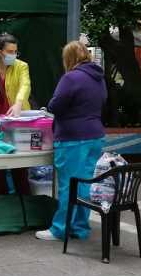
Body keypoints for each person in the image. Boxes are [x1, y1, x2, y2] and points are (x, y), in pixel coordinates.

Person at [35, 40, 107, 242]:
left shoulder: (71, 77)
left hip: (72, 138)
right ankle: (80, 227)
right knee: (85, 183)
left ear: (68, 58)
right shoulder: (98, 77)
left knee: (68, 184)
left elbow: (55, 105)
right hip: (95, 136)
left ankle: (60, 229)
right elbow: (103, 101)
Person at [0, 33, 32, 194]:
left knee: (20, 168)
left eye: (15, 52)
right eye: (10, 51)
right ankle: (0, 200)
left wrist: (18, 103)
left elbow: (25, 85)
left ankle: (23, 201)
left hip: (16, 123)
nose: (13, 55)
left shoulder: (22, 66)